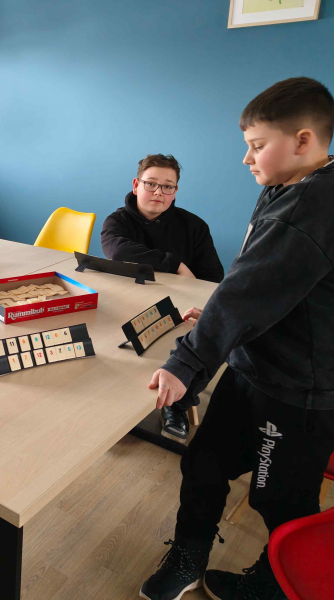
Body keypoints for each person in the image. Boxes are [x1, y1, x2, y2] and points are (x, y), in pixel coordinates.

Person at [139, 77, 334, 600]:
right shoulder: (288, 185)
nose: (246, 158)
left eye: (257, 145)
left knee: (279, 496)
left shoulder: (313, 209)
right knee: (204, 463)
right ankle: (188, 556)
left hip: (304, 390)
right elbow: (256, 281)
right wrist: (219, 316)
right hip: (259, 366)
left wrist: (185, 363)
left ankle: (274, 584)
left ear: (303, 140)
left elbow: (246, 294)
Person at [101, 154, 224, 444]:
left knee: (207, 338)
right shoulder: (117, 221)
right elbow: (117, 251)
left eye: (167, 186)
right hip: (129, 302)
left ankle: (177, 405)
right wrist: (175, 264)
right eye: (151, 184)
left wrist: (200, 304)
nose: (158, 192)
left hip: (183, 306)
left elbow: (213, 277)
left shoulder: (194, 226)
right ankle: (117, 399)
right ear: (136, 185)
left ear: (175, 191)